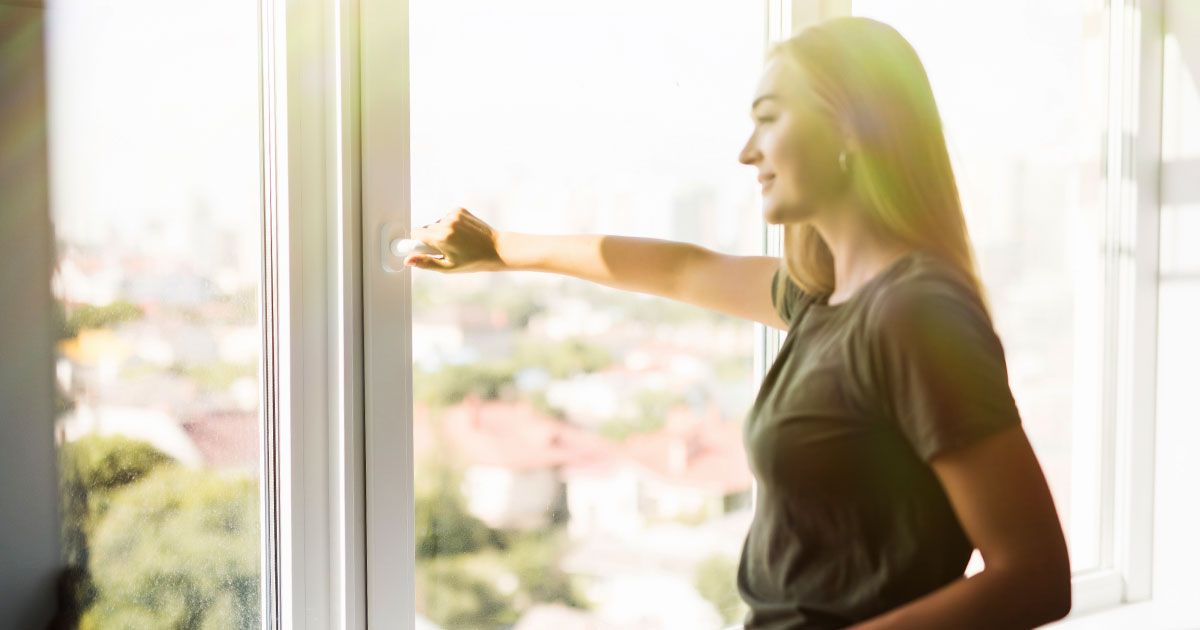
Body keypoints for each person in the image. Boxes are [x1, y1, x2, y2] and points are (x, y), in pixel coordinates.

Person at [403, 16, 1071, 630]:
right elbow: (683, 271)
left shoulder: (915, 316)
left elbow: (1035, 578)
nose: (747, 152)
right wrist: (502, 249)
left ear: (850, 128)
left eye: (769, 119)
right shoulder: (824, 298)